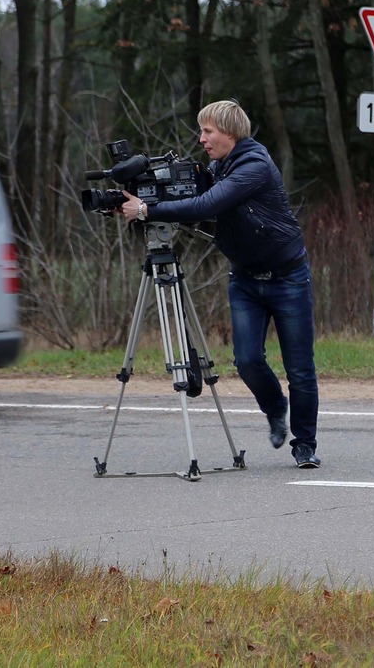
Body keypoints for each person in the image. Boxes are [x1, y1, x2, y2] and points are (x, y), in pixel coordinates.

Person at [118, 99, 321, 468]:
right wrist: (145, 194)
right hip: (245, 278)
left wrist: (146, 210)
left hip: (288, 277)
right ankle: (277, 408)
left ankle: (305, 444)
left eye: (208, 131)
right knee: (246, 361)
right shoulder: (218, 166)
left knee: (300, 369)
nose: (202, 139)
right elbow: (190, 196)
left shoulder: (254, 166)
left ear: (229, 132)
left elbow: (205, 205)